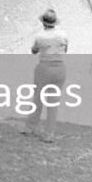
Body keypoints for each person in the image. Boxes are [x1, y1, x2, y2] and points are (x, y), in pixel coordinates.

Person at [25, 8, 68, 142]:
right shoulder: (63, 35)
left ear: (43, 23)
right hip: (60, 68)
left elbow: (34, 50)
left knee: (38, 98)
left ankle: (31, 127)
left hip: (44, 67)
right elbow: (66, 49)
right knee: (53, 102)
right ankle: (49, 133)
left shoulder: (40, 36)